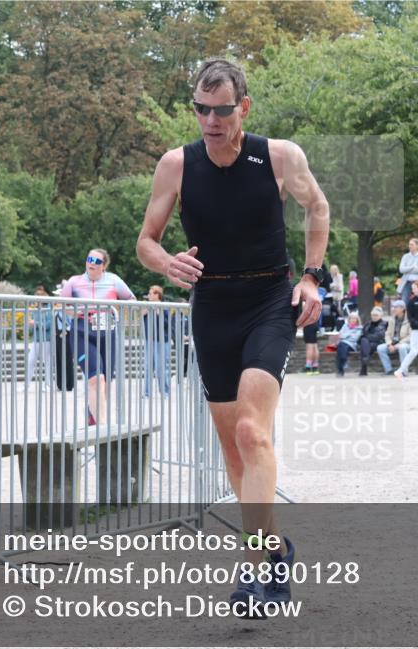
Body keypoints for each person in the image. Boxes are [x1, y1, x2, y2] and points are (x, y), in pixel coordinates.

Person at [135, 57, 327, 613]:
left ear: (243, 107)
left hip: (270, 299)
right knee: (233, 451)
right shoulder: (176, 165)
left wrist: (313, 277)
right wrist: (166, 262)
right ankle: (274, 551)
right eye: (201, 109)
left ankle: (250, 570)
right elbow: (146, 239)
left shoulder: (279, 157)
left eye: (221, 110)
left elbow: (318, 206)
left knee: (251, 431)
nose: (210, 120)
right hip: (212, 305)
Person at [61, 248, 136, 424]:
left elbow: (131, 299)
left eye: (96, 262)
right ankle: (103, 427)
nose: (91, 264)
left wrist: (116, 309)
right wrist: (75, 311)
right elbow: (61, 305)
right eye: (89, 260)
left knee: (106, 381)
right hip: (82, 332)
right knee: (96, 378)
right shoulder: (74, 282)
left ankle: (92, 415)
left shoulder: (114, 280)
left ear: (104, 266)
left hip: (107, 333)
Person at [142, 284, 175, 397]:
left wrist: (158, 312)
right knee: (148, 366)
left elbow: (167, 324)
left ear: (157, 295)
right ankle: (147, 392)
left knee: (161, 367)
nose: (149, 295)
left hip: (162, 341)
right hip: (149, 340)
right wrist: (144, 313)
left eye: (151, 293)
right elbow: (143, 321)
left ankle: (165, 391)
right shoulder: (147, 306)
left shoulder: (164, 307)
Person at [25, 285, 55, 391]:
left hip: (47, 340)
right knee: (30, 360)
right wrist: (31, 325)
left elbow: (48, 325)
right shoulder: (35, 311)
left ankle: (48, 385)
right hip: (36, 340)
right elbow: (34, 326)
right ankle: (26, 385)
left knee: (47, 362)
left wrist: (36, 324)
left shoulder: (48, 310)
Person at [377, 299, 411, 375]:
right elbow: (387, 334)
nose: (393, 309)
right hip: (393, 343)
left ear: (402, 309)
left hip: (406, 343)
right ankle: (388, 370)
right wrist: (389, 344)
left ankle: (404, 371)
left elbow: (410, 336)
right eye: (393, 307)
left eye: (396, 307)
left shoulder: (409, 320)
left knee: (402, 348)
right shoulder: (392, 319)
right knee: (380, 348)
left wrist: (398, 345)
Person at [302, 284, 326, 375]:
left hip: (309, 322)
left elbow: (305, 309)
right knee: (314, 345)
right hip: (315, 322)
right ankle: (315, 367)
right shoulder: (319, 294)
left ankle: (308, 367)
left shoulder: (309, 296)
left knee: (309, 346)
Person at [398, 238, 418, 304]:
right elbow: (401, 269)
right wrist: (412, 267)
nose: (410, 246)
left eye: (412, 244)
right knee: (404, 302)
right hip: (407, 282)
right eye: (409, 244)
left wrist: (407, 269)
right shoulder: (405, 256)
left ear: (417, 246)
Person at [359, 306, 388, 376]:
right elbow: (362, 334)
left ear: (381, 316)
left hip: (379, 343)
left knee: (365, 345)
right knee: (364, 341)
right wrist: (366, 338)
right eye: (373, 315)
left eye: (376, 315)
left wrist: (367, 337)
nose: (374, 317)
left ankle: (364, 367)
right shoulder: (367, 324)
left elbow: (380, 336)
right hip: (368, 344)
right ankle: (366, 358)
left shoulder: (385, 324)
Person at [334, 311, 363, 377]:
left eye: (354, 319)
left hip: (352, 345)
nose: (353, 320)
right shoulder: (345, 326)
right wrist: (349, 334)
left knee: (341, 346)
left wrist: (345, 335)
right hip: (343, 343)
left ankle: (340, 369)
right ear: (349, 319)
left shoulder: (359, 328)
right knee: (341, 346)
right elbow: (340, 335)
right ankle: (343, 363)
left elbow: (354, 338)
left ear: (357, 320)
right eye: (351, 318)